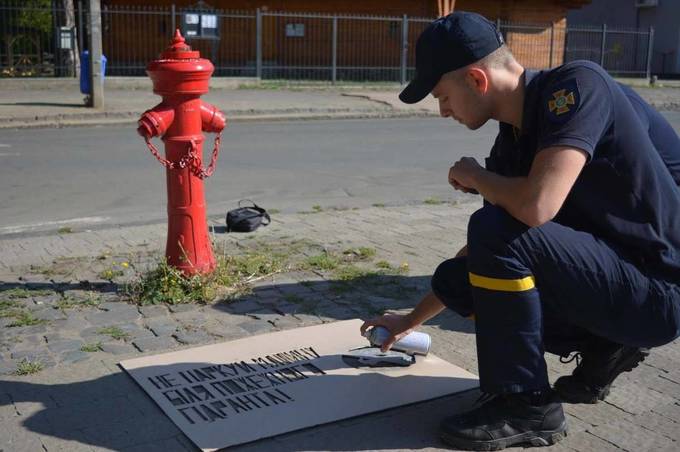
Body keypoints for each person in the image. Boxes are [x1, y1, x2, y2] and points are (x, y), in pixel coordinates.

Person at [361, 11, 680, 451]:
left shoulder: (575, 88)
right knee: (459, 279)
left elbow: (536, 206)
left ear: (476, 79)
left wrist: (476, 176)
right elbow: (488, 250)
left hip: (659, 292)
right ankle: (605, 344)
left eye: (443, 95)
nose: (443, 110)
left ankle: (526, 403)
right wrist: (408, 320)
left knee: (492, 226)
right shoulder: (511, 141)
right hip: (615, 280)